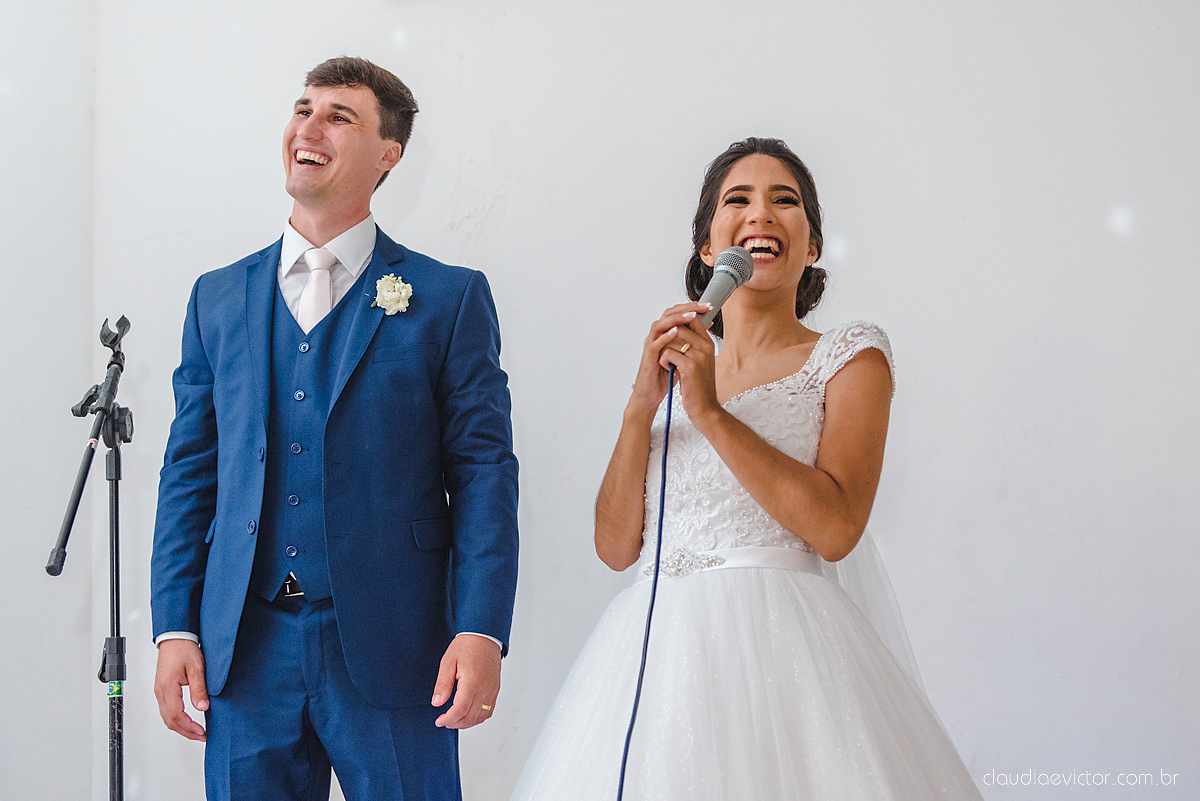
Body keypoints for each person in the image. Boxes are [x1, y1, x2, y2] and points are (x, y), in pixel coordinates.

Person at [511, 137, 982, 800]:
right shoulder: (677, 376)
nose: (761, 213)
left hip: (786, 650)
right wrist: (640, 406)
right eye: (738, 199)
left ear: (812, 245)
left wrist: (709, 412)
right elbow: (617, 548)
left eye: (784, 201)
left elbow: (837, 526)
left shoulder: (850, 357)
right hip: (656, 659)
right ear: (708, 247)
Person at [150, 57, 518, 801]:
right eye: (302, 108)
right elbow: (190, 471)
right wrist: (175, 628)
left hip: (398, 645)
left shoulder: (447, 298)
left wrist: (482, 626)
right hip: (245, 652)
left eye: (338, 116)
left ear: (389, 154)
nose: (307, 127)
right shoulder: (216, 298)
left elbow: (483, 472)